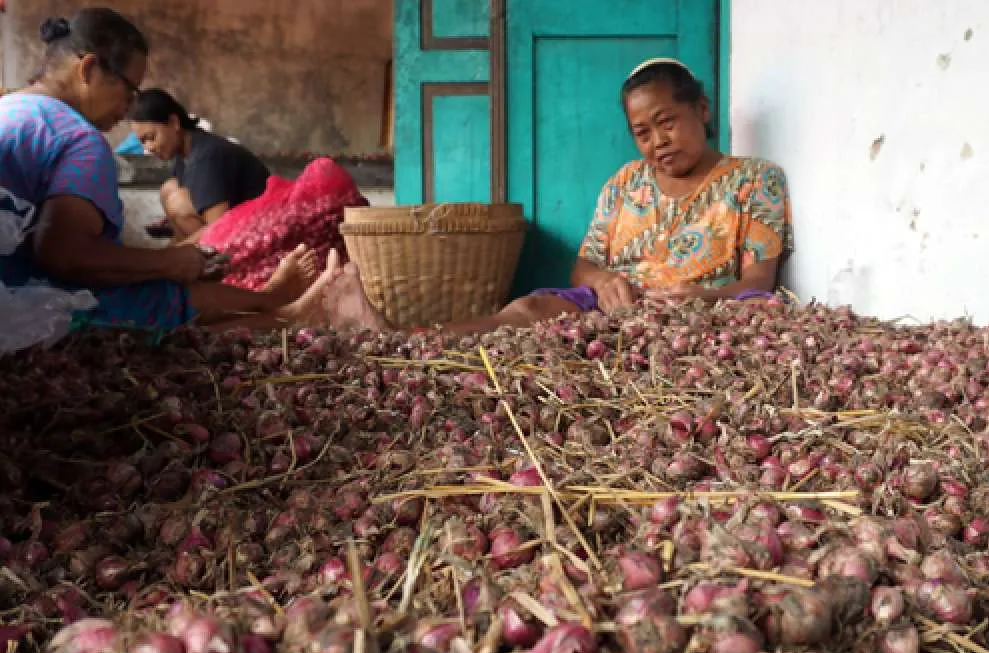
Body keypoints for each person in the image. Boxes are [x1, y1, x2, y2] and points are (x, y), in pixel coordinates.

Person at [294, 57, 793, 334]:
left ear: (702, 110)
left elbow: (758, 283)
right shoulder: (625, 183)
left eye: (668, 122)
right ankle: (402, 341)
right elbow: (584, 266)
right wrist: (605, 283)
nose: (658, 142)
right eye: (643, 132)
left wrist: (700, 295)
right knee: (527, 312)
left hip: (701, 315)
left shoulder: (755, 180)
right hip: (615, 309)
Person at [0, 8, 318, 333]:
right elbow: (65, 254)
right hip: (27, 312)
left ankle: (268, 300)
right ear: (89, 68)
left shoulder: (9, 109)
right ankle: (282, 316)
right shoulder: (78, 137)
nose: (127, 108)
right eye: (128, 91)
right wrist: (168, 263)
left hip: (14, 296)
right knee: (166, 301)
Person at [129, 88, 269, 242]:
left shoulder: (205, 158)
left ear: (174, 123)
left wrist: (170, 256)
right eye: (142, 141)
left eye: (151, 137)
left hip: (262, 229)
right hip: (237, 226)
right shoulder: (183, 154)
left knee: (178, 203)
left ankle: (213, 262)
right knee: (169, 189)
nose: (148, 147)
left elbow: (219, 228)